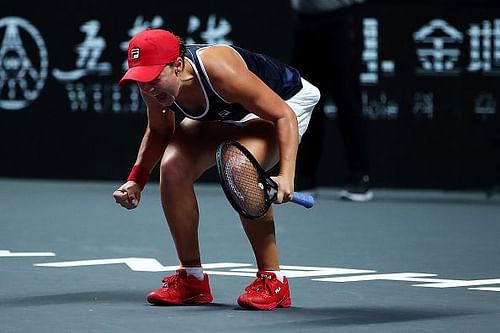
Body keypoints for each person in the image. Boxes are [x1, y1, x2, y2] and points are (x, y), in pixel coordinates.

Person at [113, 29, 320, 310]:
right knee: (173, 166)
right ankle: (192, 279)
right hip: (228, 110)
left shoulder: (220, 69)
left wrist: (286, 176)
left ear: (177, 66)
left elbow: (282, 115)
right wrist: (136, 180)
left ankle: (274, 281)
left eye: (153, 78)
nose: (147, 88)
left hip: (283, 105)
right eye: (141, 81)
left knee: (240, 167)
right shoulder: (154, 85)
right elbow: (159, 130)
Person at [291, 0, 374, 202]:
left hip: (341, 19)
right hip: (304, 21)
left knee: (348, 101)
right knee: (305, 99)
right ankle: (304, 178)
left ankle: (358, 176)